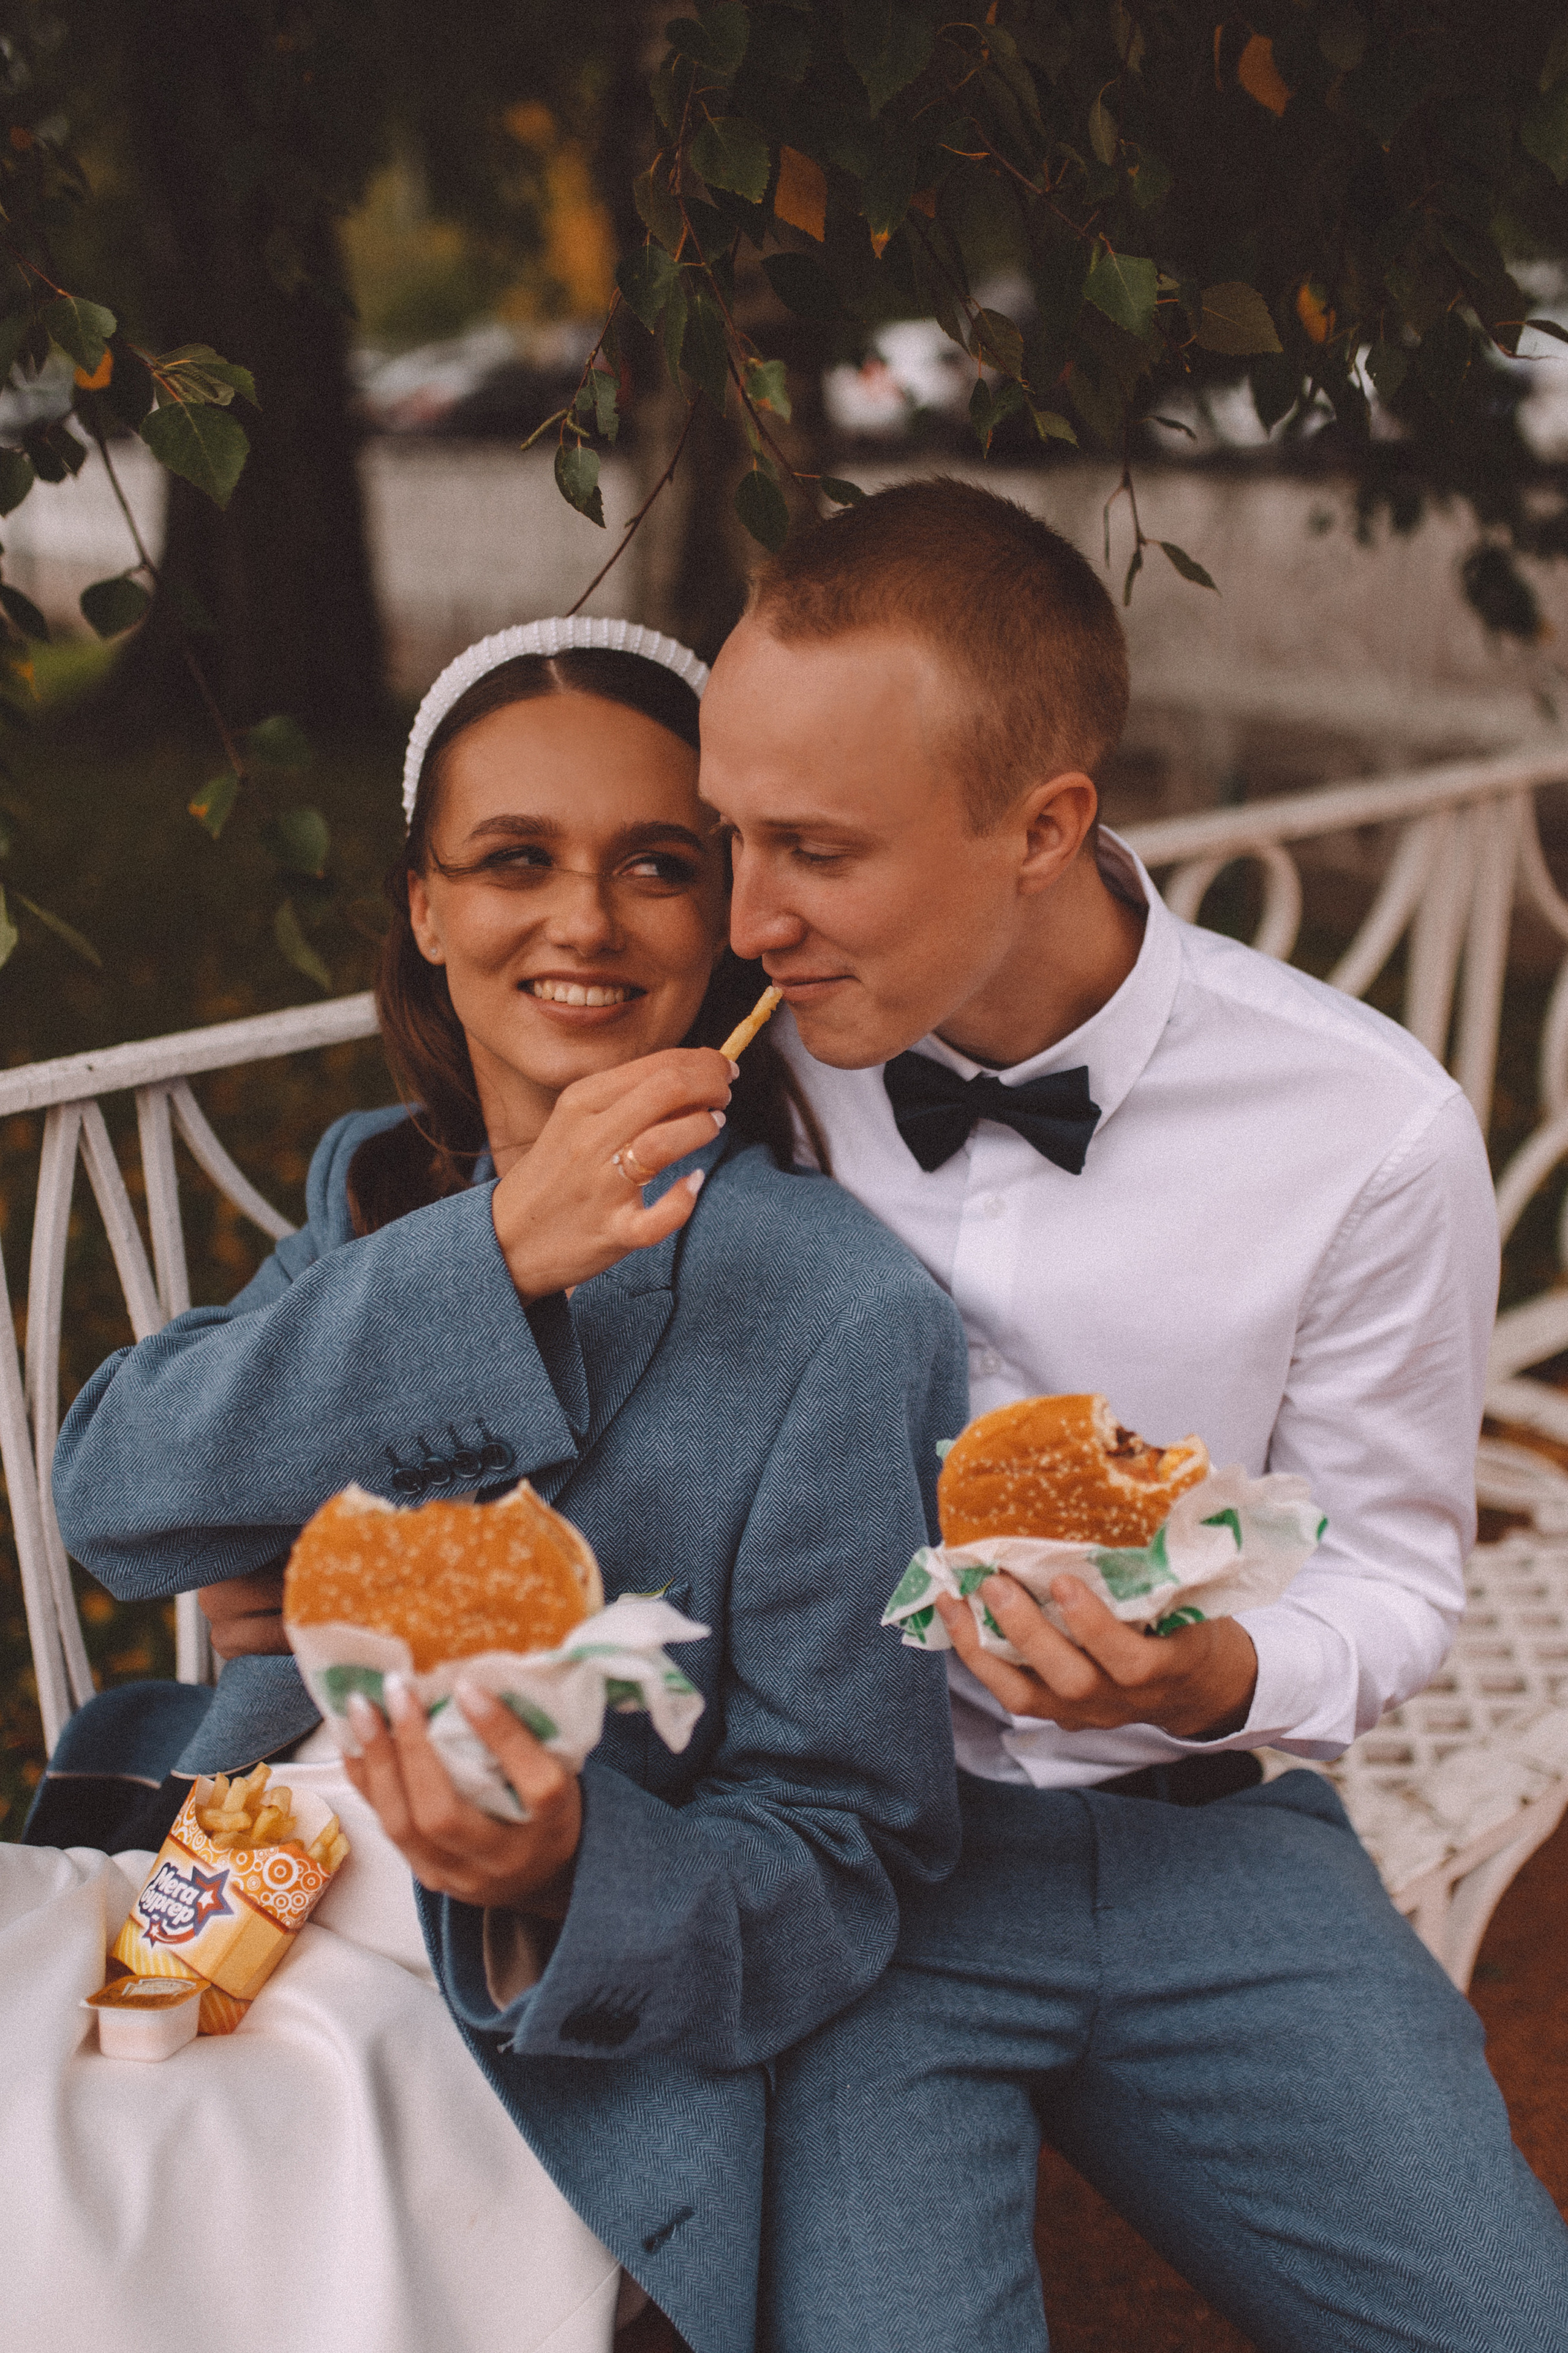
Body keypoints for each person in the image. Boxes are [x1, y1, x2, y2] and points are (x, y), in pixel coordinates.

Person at [696, 481, 1568, 2352]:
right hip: (864, 1881)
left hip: (1214, 1845)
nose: (749, 913)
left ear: (1045, 826)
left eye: (819, 851)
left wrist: (1211, 1673)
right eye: (729, 833)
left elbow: (1401, 1572)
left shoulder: (1366, 1129)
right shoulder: (716, 1067)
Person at [31, 616, 967, 2353]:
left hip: (511, 2030)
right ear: (427, 907)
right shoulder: (380, 1190)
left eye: (657, 865)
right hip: (226, 1878)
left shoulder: (844, 1315)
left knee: (121, 2229)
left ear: (731, 914)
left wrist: (566, 1865)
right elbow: (117, 1491)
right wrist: (489, 1260)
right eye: (514, 860)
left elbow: (856, 1856)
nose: (586, 921)